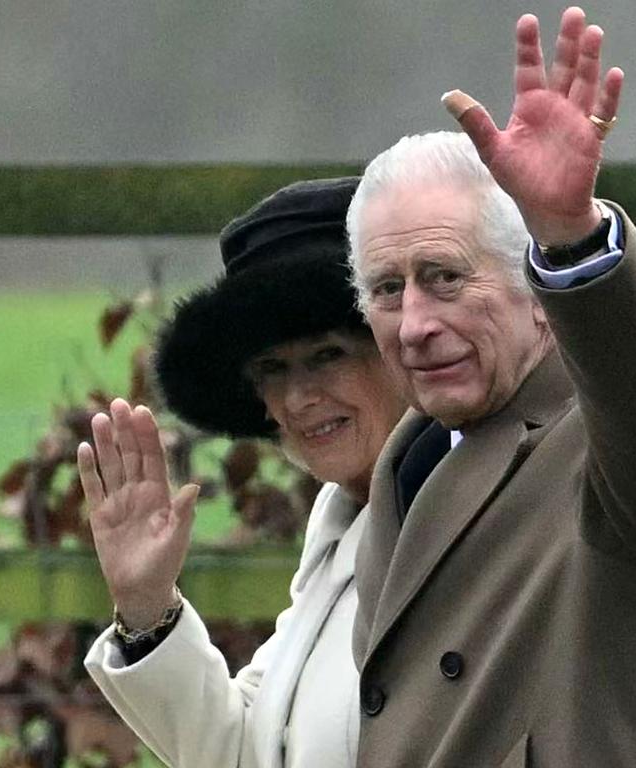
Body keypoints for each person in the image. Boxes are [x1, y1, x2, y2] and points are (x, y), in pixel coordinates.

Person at [345, 8, 636, 768]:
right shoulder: (409, 459)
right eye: (387, 290)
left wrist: (571, 236)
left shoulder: (607, 446)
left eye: (446, 278)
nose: (416, 322)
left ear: (534, 290)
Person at [79, 177, 408, 768]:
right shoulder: (339, 528)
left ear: (401, 347)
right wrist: (148, 605)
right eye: (273, 369)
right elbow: (248, 751)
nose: (300, 396)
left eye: (328, 354)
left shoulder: (473, 506)